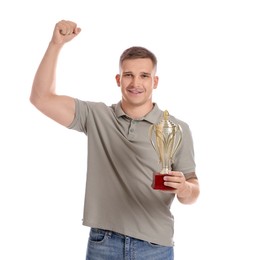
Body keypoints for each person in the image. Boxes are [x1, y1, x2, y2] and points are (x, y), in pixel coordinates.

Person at [30, 20, 200, 260]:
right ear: (118, 80)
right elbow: (41, 98)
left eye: (144, 75)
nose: (136, 83)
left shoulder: (176, 129)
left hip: (155, 247)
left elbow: (193, 191)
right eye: (128, 75)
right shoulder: (97, 116)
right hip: (103, 244)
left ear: (155, 81)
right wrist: (55, 45)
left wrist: (184, 187)